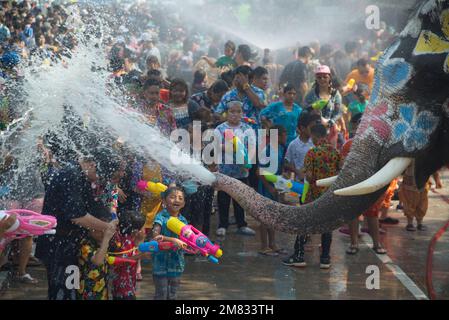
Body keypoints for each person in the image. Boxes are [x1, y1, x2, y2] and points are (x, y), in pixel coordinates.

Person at [35, 155, 118, 300]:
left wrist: (111, 218)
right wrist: (107, 227)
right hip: (58, 243)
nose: (99, 180)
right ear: (92, 164)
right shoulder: (71, 175)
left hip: (66, 242)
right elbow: (77, 216)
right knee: (62, 291)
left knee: (71, 289)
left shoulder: (78, 174)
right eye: (100, 175)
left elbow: (92, 206)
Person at [296, 124, 341, 268]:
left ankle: (299, 256)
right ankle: (325, 258)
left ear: (315, 136)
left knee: (305, 225)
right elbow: (341, 173)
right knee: (327, 227)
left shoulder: (312, 153)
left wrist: (308, 176)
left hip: (313, 196)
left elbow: (309, 177)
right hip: (330, 196)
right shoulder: (335, 152)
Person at [214, 101, 256, 237]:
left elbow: (252, 147)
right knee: (223, 198)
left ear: (242, 113)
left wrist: (247, 159)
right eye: (232, 111)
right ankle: (222, 225)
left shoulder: (247, 129)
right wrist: (233, 147)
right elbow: (216, 146)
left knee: (240, 199)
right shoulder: (220, 129)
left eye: (238, 111)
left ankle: (242, 224)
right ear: (226, 113)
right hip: (225, 170)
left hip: (242, 170)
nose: (235, 114)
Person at [151, 187, 189, 300]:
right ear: (164, 201)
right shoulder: (160, 218)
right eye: (172, 197)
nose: (176, 200)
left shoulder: (183, 221)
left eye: (180, 198)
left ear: (183, 204)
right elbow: (155, 236)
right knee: (161, 294)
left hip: (176, 264)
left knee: (173, 295)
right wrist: (173, 240)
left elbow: (187, 240)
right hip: (160, 263)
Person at [257, 125, 287, 256]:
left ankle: (273, 243)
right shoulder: (267, 151)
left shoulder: (280, 148)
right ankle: (264, 246)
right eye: (284, 135)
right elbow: (260, 172)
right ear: (277, 136)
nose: (286, 137)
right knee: (264, 217)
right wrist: (269, 187)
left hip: (275, 186)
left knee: (273, 216)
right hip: (266, 187)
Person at [110, 210, 149, 300]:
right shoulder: (126, 242)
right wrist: (140, 256)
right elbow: (120, 262)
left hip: (127, 286)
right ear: (136, 232)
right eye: (143, 228)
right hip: (123, 289)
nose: (145, 231)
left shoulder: (129, 240)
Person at [77, 216, 116, 300]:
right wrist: (106, 238)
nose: (103, 233)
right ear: (90, 229)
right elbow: (98, 261)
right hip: (87, 293)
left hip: (102, 293)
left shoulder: (102, 244)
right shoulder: (85, 245)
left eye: (105, 230)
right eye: (99, 230)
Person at [304, 65, 343, 148]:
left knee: (330, 156)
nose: (322, 79)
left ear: (329, 77)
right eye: (319, 77)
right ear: (316, 79)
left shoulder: (335, 94)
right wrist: (311, 109)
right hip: (314, 131)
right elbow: (304, 110)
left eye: (325, 77)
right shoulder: (311, 94)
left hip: (331, 130)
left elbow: (339, 113)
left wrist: (329, 123)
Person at [399, 162, 431, 232]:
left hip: (423, 180)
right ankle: (410, 223)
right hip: (410, 180)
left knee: (422, 204)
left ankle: (420, 223)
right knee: (409, 202)